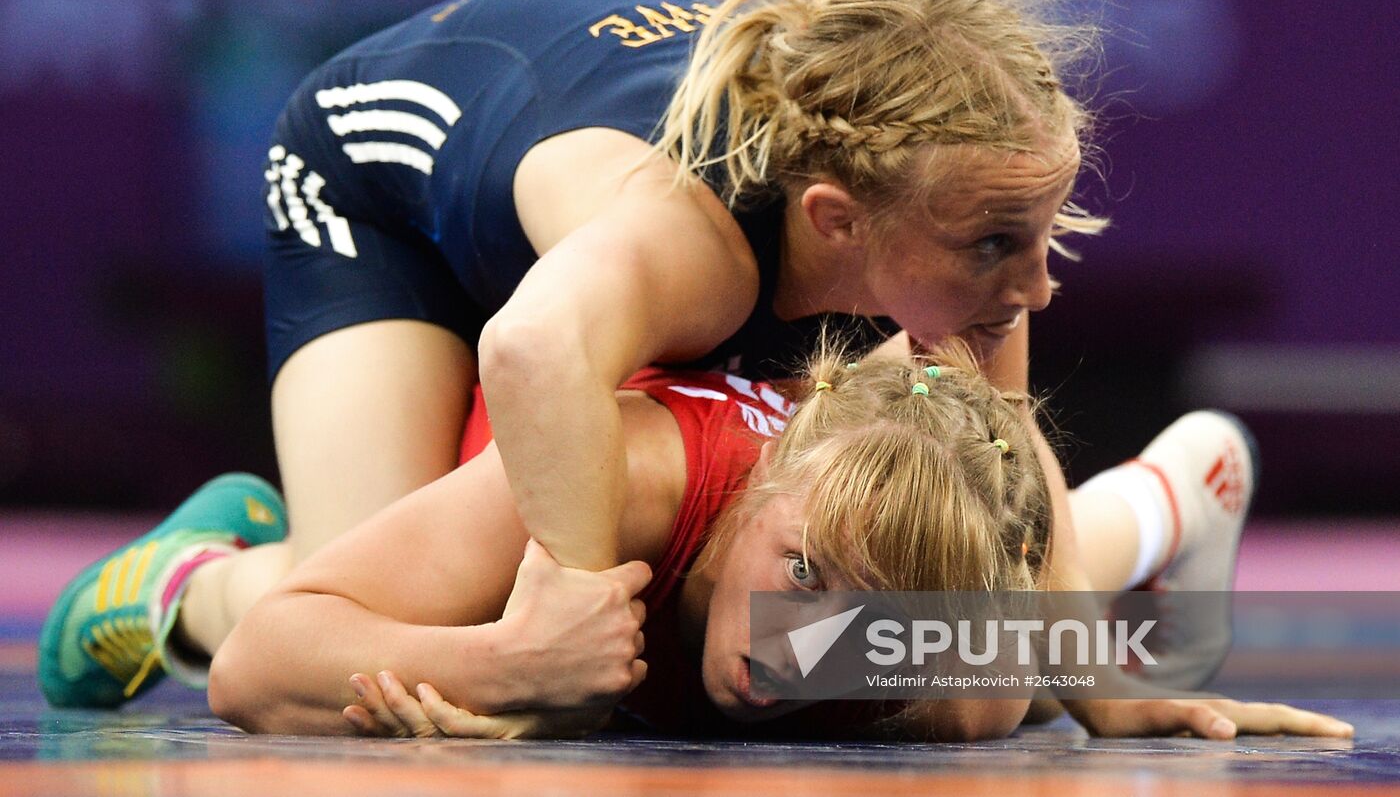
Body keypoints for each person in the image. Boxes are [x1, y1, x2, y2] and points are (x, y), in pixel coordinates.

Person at [40, 0, 1151, 717]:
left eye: (1039, 238)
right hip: (376, 191)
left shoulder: (929, 244)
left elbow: (1003, 467)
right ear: (836, 222)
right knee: (396, 593)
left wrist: (1099, 688)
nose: (1038, 287)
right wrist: (558, 621)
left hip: (566, 198)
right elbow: (528, 351)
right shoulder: (693, 249)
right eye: (1001, 245)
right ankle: (194, 579)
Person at [206, 348, 1351, 741]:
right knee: (309, 570)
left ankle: (1171, 486)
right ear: (756, 496)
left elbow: (1013, 497)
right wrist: (508, 665)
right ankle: (185, 562)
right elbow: (256, 664)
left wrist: (1098, 669)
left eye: (861, 622)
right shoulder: (631, 477)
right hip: (479, 446)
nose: (797, 644)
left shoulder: (950, 682)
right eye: (800, 572)